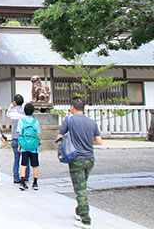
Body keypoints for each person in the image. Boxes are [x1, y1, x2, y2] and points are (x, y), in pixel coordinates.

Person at [56, 97, 102, 229]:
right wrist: (87, 141)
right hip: (90, 157)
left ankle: (86, 219)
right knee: (82, 185)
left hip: (76, 158)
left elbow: (59, 137)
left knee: (80, 189)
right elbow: (99, 141)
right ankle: (79, 211)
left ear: (72, 107)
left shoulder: (69, 120)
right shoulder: (92, 122)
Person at [17, 103, 41, 191]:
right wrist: (38, 144)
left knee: (23, 164)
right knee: (35, 165)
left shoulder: (21, 121)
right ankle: (35, 182)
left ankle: (22, 181)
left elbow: (20, 134)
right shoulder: (36, 122)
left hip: (24, 146)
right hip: (34, 146)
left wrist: (19, 146)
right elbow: (38, 134)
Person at [7, 94, 29, 184]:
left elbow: (7, 114)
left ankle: (16, 177)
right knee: (25, 158)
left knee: (16, 159)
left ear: (15, 102)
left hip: (15, 138)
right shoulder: (24, 112)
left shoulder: (13, 112)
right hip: (23, 138)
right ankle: (26, 176)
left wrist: (11, 106)